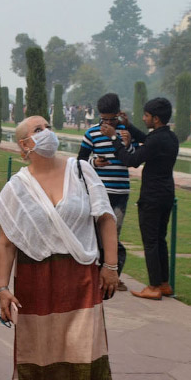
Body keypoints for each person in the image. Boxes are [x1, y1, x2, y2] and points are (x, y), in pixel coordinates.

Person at [0, 115, 117, 380]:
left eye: (47, 126)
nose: (47, 132)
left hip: (81, 280)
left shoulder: (80, 170)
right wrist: (2, 288)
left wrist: (110, 266)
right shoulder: (18, 186)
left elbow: (106, 218)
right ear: (25, 145)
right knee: (41, 357)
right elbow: (6, 243)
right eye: (38, 130)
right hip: (36, 283)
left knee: (81, 356)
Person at [103, 97, 179, 300]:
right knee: (160, 239)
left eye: (146, 116)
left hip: (152, 196)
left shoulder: (156, 140)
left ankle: (153, 287)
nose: (143, 118)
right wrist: (128, 126)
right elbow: (147, 140)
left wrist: (113, 139)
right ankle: (164, 283)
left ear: (155, 118)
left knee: (151, 241)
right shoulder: (170, 137)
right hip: (166, 193)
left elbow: (132, 160)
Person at [77, 93, 136, 291]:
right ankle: (95, 273)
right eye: (104, 119)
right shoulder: (92, 133)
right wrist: (95, 162)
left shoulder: (125, 133)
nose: (108, 123)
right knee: (94, 233)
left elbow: (134, 160)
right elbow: (80, 161)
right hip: (98, 192)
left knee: (113, 235)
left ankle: (113, 276)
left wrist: (127, 145)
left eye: (112, 119)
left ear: (119, 115)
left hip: (120, 192)